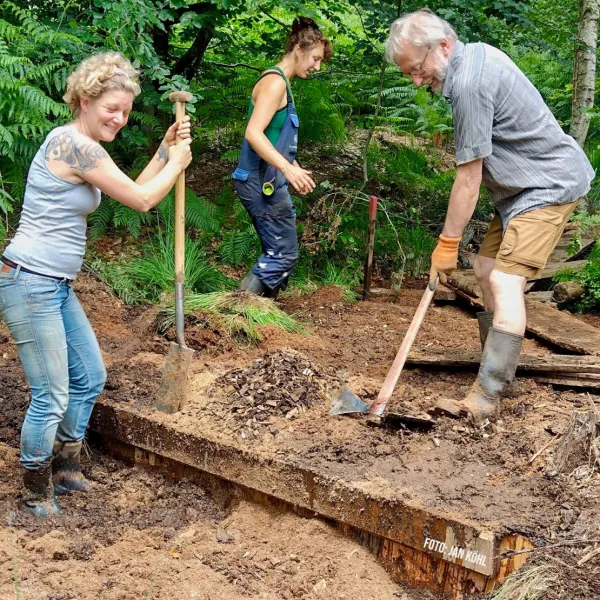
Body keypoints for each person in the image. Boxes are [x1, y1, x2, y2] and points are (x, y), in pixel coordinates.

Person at [0, 52, 192, 517]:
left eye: (126, 112)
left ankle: (66, 468)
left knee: (89, 378)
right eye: (112, 108)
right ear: (84, 99)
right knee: (52, 395)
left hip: (55, 285)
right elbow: (146, 200)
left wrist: (166, 151)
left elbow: (132, 191)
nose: (120, 119)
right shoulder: (73, 145)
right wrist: (180, 160)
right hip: (30, 282)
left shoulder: (85, 148)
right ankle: (35, 490)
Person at [385, 9, 594, 424]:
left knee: (504, 278)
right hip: (519, 189)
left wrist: (447, 244)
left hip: (547, 185)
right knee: (484, 269)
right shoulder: (473, 56)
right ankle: (501, 369)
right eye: (408, 72)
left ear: (443, 46)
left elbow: (468, 177)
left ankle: (487, 394)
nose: (416, 79)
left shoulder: (469, 83)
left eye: (418, 68)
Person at [232, 17, 333, 297]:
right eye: (315, 58)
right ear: (298, 48)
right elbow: (254, 133)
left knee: (278, 251)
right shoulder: (274, 83)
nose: (317, 66)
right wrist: (288, 171)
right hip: (258, 179)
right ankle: (239, 311)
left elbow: (275, 138)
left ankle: (259, 313)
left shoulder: (282, 83)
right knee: (282, 254)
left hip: (266, 178)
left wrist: (294, 167)